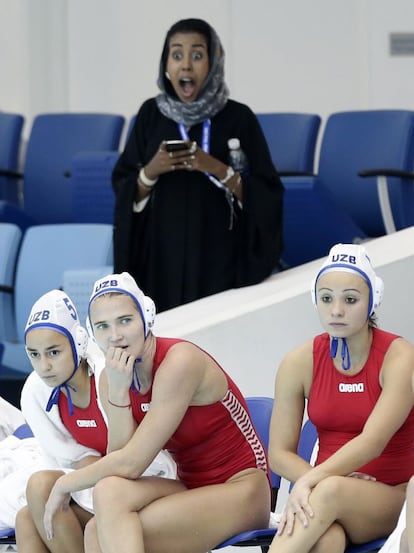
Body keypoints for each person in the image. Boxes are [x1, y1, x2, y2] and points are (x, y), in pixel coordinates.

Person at [42, 271, 271, 553]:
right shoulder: (112, 378)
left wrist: (65, 484)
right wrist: (117, 393)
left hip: (241, 490)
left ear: (146, 317)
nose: (115, 336)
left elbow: (132, 463)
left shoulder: (179, 362)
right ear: (92, 333)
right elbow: (119, 464)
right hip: (189, 487)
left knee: (105, 533)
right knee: (107, 496)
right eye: (102, 326)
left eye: (125, 321)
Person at [112, 18, 284, 313]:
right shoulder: (151, 115)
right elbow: (124, 185)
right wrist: (151, 172)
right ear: (166, 64)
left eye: (197, 55)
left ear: (214, 63)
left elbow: (268, 194)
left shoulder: (239, 118)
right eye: (177, 55)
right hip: (161, 258)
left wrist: (218, 169)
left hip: (221, 257)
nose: (186, 66)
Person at [268, 243, 414, 553]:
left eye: (350, 299)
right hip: (325, 496)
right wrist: (313, 480)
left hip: (390, 498)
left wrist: (317, 482)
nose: (336, 310)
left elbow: (372, 442)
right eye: (326, 299)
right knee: (327, 541)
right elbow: (279, 454)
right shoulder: (299, 362)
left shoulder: (399, 358)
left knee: (330, 491)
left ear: (372, 301)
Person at [15, 289, 175, 553]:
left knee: (42, 486)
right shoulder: (35, 392)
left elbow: (131, 459)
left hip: (142, 483)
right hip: (97, 487)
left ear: (78, 343)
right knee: (26, 519)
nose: (44, 366)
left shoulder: (107, 377)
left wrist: (87, 470)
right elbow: (67, 459)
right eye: (34, 355)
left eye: (53, 353)